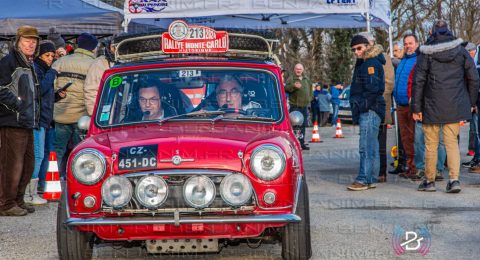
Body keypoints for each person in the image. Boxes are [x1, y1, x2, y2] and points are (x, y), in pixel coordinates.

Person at [412, 21, 479, 193]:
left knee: (431, 144)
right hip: (455, 105)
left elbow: (418, 82)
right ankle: (454, 180)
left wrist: (416, 108)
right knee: (451, 144)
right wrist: (470, 103)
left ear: (432, 32)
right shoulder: (461, 51)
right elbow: (474, 78)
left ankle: (429, 181)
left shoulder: (426, 53)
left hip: (431, 105)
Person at [0, 26, 41, 216]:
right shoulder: (9, 62)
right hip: (13, 122)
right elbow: (1, 89)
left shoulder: (29, 64)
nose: (31, 44)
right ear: (18, 42)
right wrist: (18, 105)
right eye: (27, 40)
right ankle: (6, 203)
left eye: (34, 41)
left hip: (26, 121)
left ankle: (17, 199)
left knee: (27, 163)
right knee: (12, 164)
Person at [52, 32, 98, 177]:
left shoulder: (60, 62)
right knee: (81, 152)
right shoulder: (94, 65)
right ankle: (78, 179)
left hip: (60, 114)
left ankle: (51, 181)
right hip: (82, 117)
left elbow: (51, 87)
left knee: (57, 150)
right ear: (92, 48)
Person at [347, 34, 385, 191]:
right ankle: (371, 178)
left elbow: (373, 89)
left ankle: (363, 179)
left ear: (367, 46)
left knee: (366, 147)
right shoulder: (365, 63)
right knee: (373, 146)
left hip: (370, 110)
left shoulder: (370, 64)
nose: (356, 52)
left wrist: (363, 106)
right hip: (370, 109)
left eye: (359, 48)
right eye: (354, 49)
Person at [27, 41, 63, 205]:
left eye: (52, 56)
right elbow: (39, 90)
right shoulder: (36, 69)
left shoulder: (44, 70)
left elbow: (43, 96)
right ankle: (30, 193)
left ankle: (38, 188)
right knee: (38, 155)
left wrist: (57, 96)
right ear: (39, 56)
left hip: (46, 120)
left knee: (45, 154)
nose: (50, 59)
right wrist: (53, 72)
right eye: (47, 56)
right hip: (38, 120)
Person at [358, 31, 395, 183]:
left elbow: (389, 82)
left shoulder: (384, 58)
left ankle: (381, 172)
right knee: (368, 140)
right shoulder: (362, 59)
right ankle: (370, 170)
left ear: (371, 43)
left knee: (380, 139)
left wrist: (376, 96)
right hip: (366, 105)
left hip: (380, 105)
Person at [393, 34, 419, 179]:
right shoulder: (403, 61)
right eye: (406, 43)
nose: (408, 46)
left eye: (410, 43)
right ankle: (410, 166)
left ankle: (416, 167)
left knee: (414, 137)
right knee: (405, 138)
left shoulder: (418, 60)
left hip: (412, 105)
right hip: (401, 105)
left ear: (416, 44)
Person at [84, 39, 116, 116]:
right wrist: (95, 116)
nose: (116, 49)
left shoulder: (134, 61)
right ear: (109, 46)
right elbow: (91, 91)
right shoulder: (99, 64)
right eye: (114, 46)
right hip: (108, 115)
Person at [285, 64, 313, 150]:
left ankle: (301, 143)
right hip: (295, 106)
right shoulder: (291, 78)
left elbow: (310, 90)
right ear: (294, 69)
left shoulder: (306, 79)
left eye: (300, 69)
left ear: (303, 70)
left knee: (303, 125)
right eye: (297, 69)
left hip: (304, 106)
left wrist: (310, 99)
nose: (298, 70)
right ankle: (293, 143)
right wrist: (293, 86)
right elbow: (286, 88)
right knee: (294, 125)